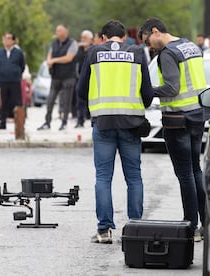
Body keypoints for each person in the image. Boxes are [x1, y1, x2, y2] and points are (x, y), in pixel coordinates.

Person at [77, 20, 154, 244]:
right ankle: (135, 228)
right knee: (134, 177)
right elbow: (148, 96)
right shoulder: (138, 53)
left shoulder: (94, 53)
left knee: (103, 177)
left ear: (103, 38)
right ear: (123, 37)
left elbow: (81, 91)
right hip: (131, 125)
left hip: (103, 124)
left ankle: (104, 231)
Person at [139, 17, 209, 242]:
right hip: (198, 115)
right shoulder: (191, 46)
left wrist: (146, 90)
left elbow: (172, 87)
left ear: (156, 31)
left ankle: (189, 225)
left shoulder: (168, 53)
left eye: (148, 40)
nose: (149, 46)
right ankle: (205, 224)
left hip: (177, 120)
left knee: (185, 174)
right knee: (196, 170)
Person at [37, 24, 78, 131]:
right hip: (56, 76)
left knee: (66, 101)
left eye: (59, 30)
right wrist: (49, 61)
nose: (57, 32)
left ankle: (64, 123)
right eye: (56, 30)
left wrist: (54, 60)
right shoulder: (54, 43)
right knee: (50, 100)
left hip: (68, 76)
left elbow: (69, 58)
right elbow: (49, 55)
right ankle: (47, 122)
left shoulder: (72, 43)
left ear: (65, 31)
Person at [0, 32, 25, 130]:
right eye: (4, 38)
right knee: (4, 101)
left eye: (8, 39)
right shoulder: (0, 52)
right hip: (4, 80)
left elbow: (22, 66)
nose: (6, 41)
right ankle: (2, 122)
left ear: (13, 41)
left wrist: (17, 73)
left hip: (15, 80)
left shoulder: (18, 52)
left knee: (17, 101)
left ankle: (19, 123)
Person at [74, 30, 93, 128]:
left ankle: (92, 119)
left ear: (90, 39)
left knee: (92, 100)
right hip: (81, 77)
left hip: (92, 78)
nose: (83, 40)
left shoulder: (94, 49)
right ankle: (80, 120)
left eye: (85, 38)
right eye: (82, 38)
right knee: (80, 99)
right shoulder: (79, 50)